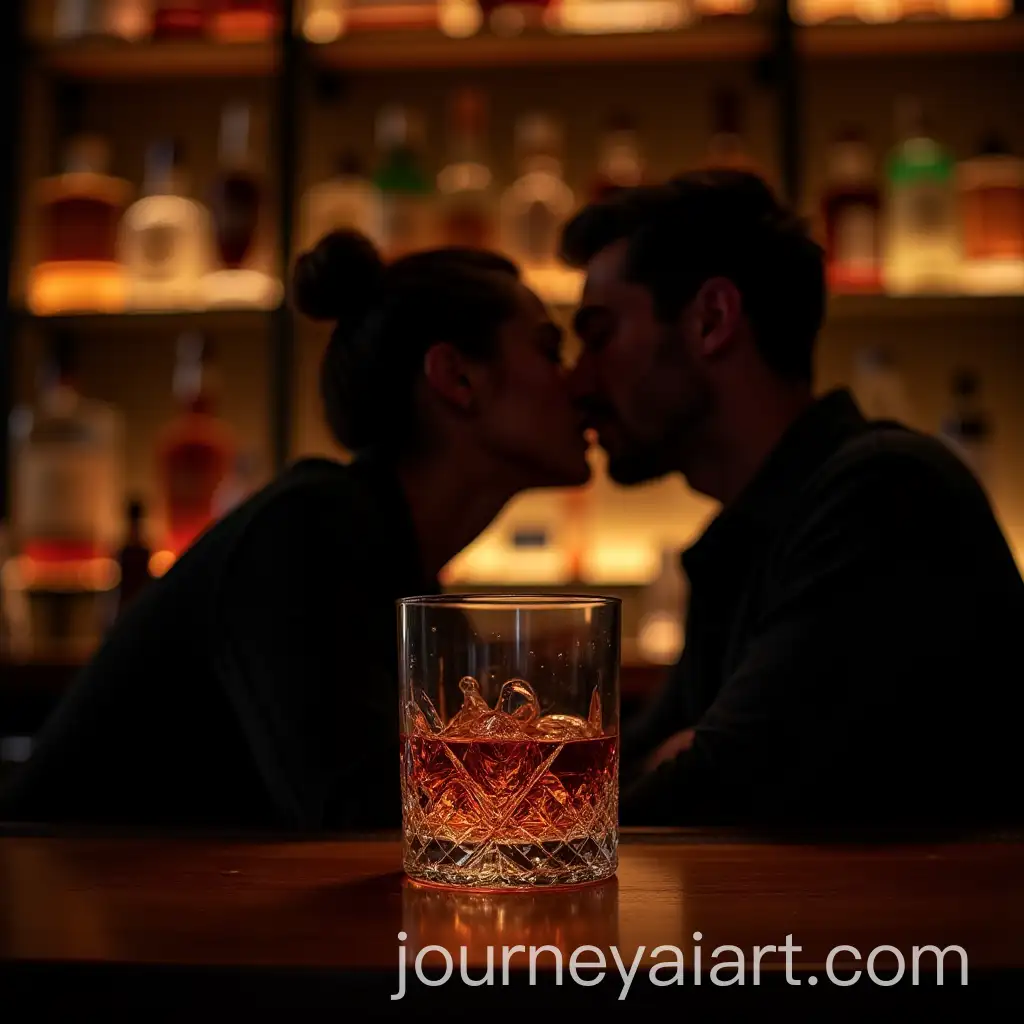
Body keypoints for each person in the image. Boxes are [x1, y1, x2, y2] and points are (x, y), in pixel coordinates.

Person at [0, 232, 590, 830]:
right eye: (550, 351)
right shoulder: (308, 534)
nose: (579, 385)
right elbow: (362, 816)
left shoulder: (391, 557)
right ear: (456, 377)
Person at [561, 169, 1024, 828]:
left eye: (598, 334)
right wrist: (676, 756)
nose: (577, 381)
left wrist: (688, 757)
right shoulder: (752, 533)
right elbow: (635, 767)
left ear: (712, 320)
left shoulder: (884, 497)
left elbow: (714, 787)